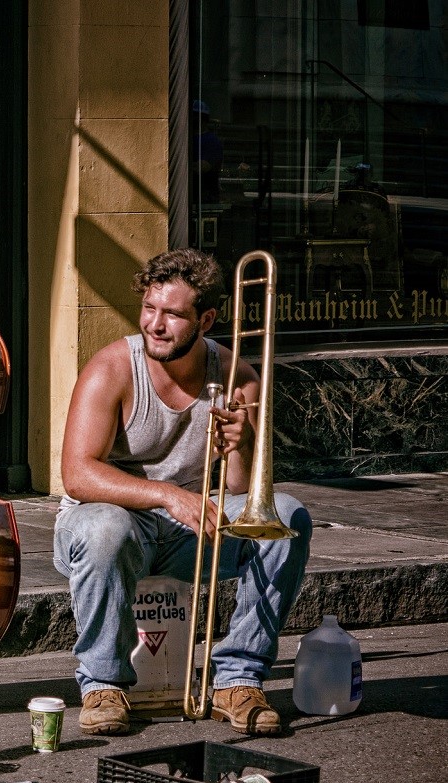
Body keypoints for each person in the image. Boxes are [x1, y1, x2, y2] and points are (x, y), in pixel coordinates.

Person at [53, 248, 312, 737]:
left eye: (172, 314)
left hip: (187, 529)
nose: (155, 323)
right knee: (105, 525)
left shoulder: (238, 375)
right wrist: (168, 495)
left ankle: (238, 679)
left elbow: (241, 492)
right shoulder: (112, 368)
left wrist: (242, 442)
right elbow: (77, 475)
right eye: (149, 308)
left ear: (206, 318)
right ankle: (103, 685)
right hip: (110, 524)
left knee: (289, 519)